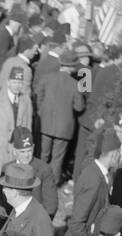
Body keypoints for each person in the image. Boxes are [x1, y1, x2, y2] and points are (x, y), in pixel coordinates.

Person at [33, 50, 85, 182]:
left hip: (46, 122)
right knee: (57, 158)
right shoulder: (75, 84)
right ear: (71, 67)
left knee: (43, 154)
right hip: (64, 127)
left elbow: (38, 94)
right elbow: (79, 107)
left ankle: (38, 180)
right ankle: (52, 184)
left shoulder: (47, 77)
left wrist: (41, 111)